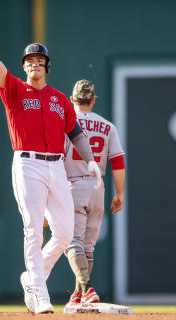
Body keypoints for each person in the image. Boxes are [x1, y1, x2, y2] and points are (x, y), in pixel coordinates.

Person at [0, 2, 102, 314]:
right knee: (33, 227)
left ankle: (33, 277)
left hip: (56, 165)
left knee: (66, 233)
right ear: (25, 66)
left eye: (39, 60)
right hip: (27, 163)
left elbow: (76, 134)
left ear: (47, 66)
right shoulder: (14, 89)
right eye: (29, 60)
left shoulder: (59, 98)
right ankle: (41, 295)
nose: (33, 64)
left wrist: (91, 160)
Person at [63, 80, 126, 306]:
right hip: (98, 187)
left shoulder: (66, 123)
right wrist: (120, 193)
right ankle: (79, 294)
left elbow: (57, 160)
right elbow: (118, 162)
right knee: (88, 246)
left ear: (72, 99)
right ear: (93, 100)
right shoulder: (108, 126)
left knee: (72, 242)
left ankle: (87, 289)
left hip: (73, 185)